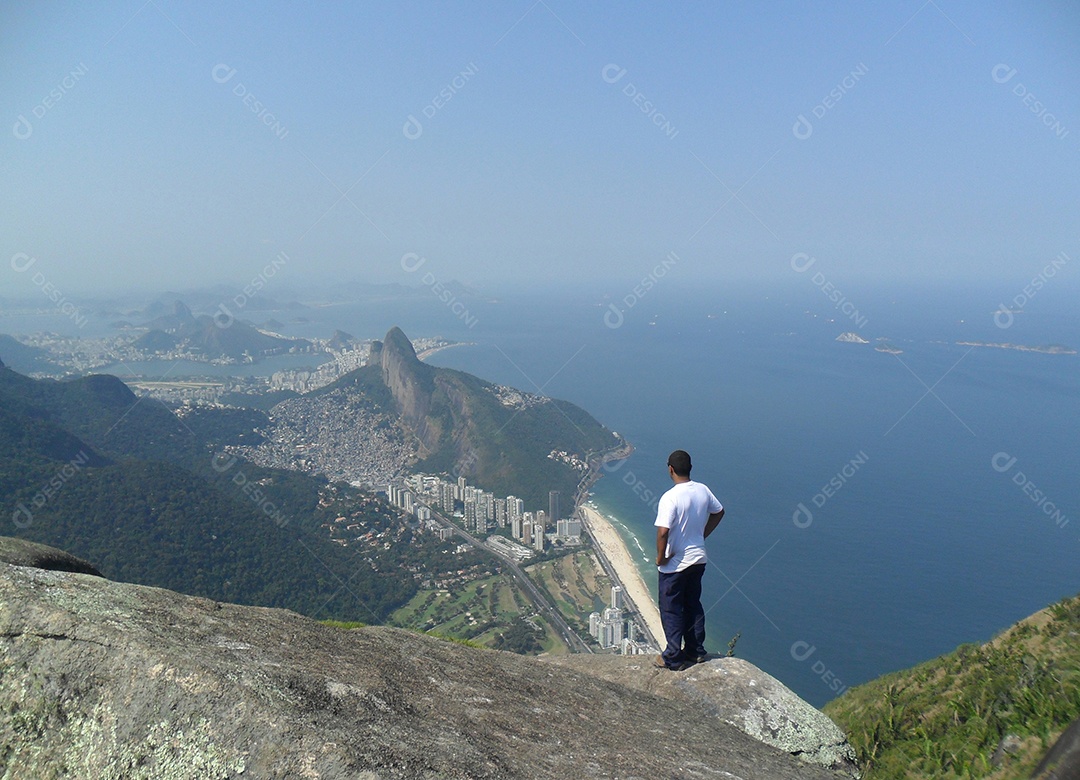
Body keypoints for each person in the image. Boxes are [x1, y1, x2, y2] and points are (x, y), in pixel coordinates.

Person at [654, 449, 724, 670]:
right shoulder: (703, 490)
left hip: (675, 565)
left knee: (671, 608)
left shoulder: (670, 497)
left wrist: (660, 558)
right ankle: (695, 652)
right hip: (698, 559)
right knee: (692, 604)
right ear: (690, 468)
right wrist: (701, 535)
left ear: (670, 469)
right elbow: (719, 512)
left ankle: (673, 656)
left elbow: (663, 532)